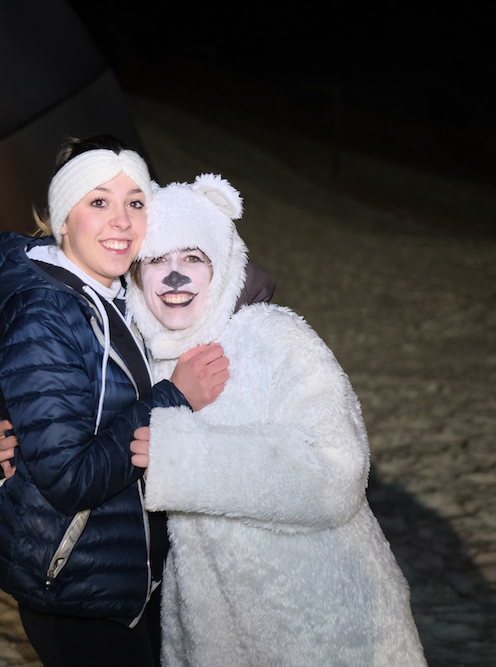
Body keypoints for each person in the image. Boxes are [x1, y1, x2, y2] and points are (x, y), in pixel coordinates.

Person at [125, 174, 428, 666]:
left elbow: (338, 470)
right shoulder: (145, 362)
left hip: (324, 628)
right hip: (213, 637)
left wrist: (186, 460)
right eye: (157, 260)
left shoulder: (272, 336)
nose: (175, 276)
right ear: (137, 274)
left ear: (222, 265)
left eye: (193, 258)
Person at [0, 135, 230, 667]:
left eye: (135, 202)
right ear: (64, 219)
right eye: (98, 201)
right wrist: (175, 397)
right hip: (76, 585)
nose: (121, 221)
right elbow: (69, 478)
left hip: (125, 574)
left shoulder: (117, 296)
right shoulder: (45, 315)